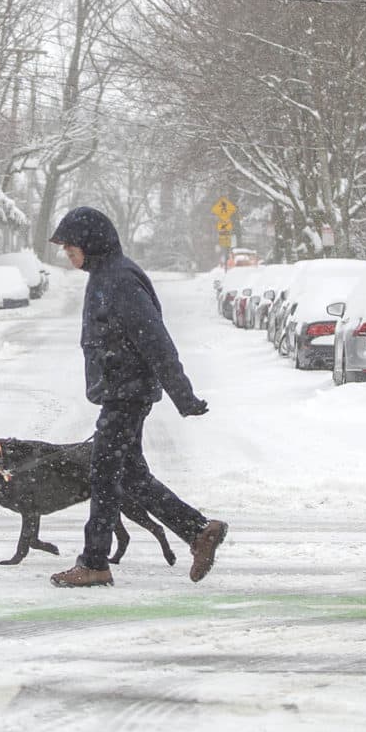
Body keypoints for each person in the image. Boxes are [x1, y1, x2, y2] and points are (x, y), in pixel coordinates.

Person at [46, 206, 228, 588]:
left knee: (103, 475)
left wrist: (184, 394)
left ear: (91, 243)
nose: (68, 254)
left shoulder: (120, 280)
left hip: (126, 393)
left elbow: (156, 340)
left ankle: (95, 561)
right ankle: (198, 531)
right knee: (130, 475)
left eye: (70, 247)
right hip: (120, 390)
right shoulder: (103, 275)